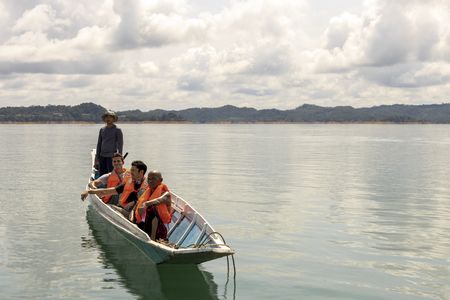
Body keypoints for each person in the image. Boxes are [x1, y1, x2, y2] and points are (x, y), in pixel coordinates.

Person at [81, 160, 147, 217]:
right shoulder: (130, 182)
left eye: (133, 170)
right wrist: (89, 191)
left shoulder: (146, 187)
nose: (131, 172)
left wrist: (134, 203)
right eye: (131, 170)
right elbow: (106, 192)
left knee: (110, 207)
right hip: (123, 209)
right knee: (110, 206)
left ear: (141, 172)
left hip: (134, 214)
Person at [133, 170, 172, 241]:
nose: (150, 181)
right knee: (139, 206)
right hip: (146, 224)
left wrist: (146, 204)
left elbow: (158, 200)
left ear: (160, 180)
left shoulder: (166, 194)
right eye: (149, 179)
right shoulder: (148, 192)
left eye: (153, 179)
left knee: (152, 208)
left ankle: (152, 239)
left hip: (161, 228)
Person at [96, 111, 123, 176]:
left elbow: (120, 143)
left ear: (113, 119)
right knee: (102, 174)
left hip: (112, 156)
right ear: (104, 119)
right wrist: (97, 156)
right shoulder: (102, 129)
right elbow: (99, 143)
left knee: (111, 174)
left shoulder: (117, 130)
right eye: (107, 117)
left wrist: (120, 156)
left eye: (110, 117)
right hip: (102, 155)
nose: (108, 119)